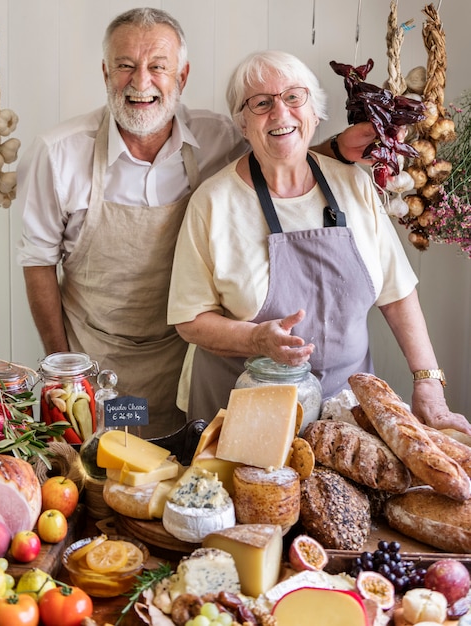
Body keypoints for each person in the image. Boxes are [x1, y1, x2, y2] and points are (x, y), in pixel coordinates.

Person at [16, 7, 377, 438]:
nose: (140, 81)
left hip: (185, 359)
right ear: (105, 72)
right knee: (104, 476)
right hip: (100, 367)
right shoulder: (58, 154)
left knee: (175, 473)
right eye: (124, 66)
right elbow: (38, 263)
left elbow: (278, 154)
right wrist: (65, 374)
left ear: (182, 77)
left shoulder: (217, 138)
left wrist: (334, 147)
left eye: (158, 67)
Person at [168, 50, 471, 437]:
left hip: (346, 415)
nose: (280, 113)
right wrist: (255, 338)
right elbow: (190, 320)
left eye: (294, 97)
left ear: (315, 112)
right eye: (261, 103)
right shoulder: (213, 203)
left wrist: (428, 382)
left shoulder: (354, 184)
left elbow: (397, 292)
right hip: (242, 417)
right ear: (243, 124)